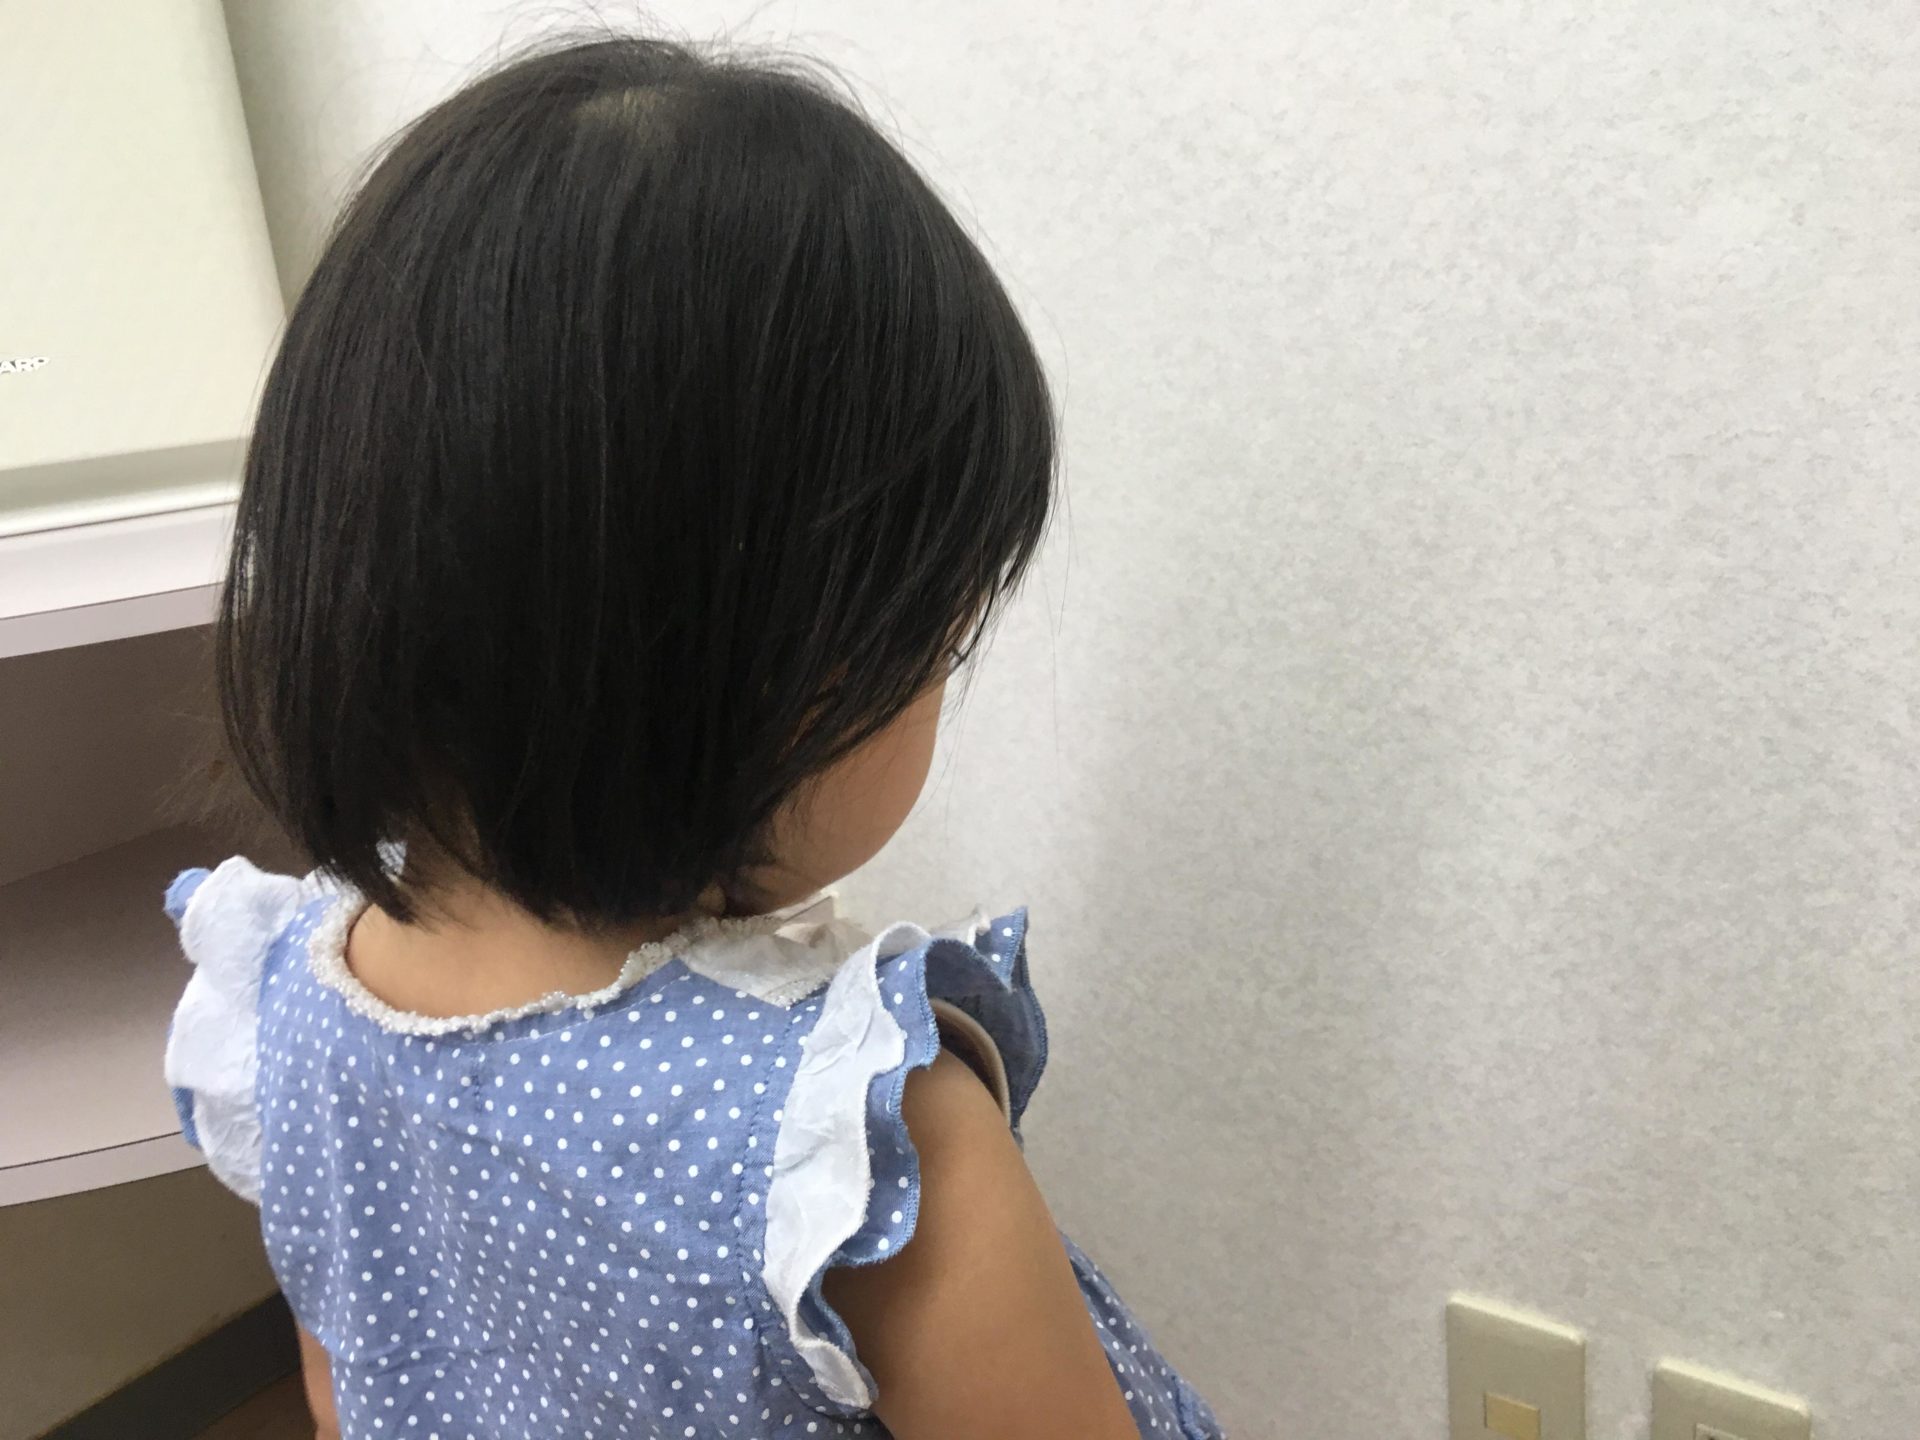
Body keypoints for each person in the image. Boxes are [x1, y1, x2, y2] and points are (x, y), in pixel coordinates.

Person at [163, 35, 1222, 1440]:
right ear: (749, 665)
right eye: (937, 641)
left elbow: (346, 1388)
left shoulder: (290, 1003)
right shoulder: (859, 1151)